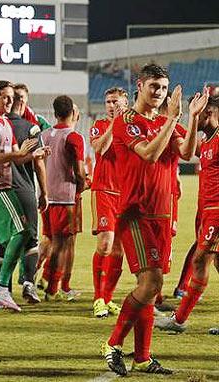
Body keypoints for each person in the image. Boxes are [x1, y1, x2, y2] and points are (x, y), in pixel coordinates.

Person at [101, 64, 193, 376]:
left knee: (149, 288)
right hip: (135, 213)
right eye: (153, 86)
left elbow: (188, 151)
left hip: (162, 215)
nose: (158, 93)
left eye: (163, 88)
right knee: (152, 282)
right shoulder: (128, 121)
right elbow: (150, 154)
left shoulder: (165, 122)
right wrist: (172, 119)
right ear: (139, 86)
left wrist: (190, 118)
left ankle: (141, 357)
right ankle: (113, 344)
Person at [0, 80, 47, 312]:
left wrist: (34, 155)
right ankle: (2, 287)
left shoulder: (4, 122)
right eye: (5, 97)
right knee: (22, 232)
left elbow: (16, 156)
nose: (9, 102)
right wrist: (17, 153)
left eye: (11, 98)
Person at [154, 92, 214, 334]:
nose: (193, 122)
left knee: (200, 260)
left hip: (217, 212)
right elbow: (185, 147)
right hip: (207, 211)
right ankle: (178, 319)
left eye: (197, 115)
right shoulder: (207, 141)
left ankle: (178, 320)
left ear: (208, 113)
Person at [0, 83, 49, 303]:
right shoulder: (31, 128)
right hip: (24, 189)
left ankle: (2, 286)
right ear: (22, 102)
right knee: (31, 240)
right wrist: (44, 192)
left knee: (1, 241)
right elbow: (39, 164)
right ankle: (28, 283)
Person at [40, 96, 86, 301]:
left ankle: (42, 280)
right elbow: (79, 172)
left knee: (51, 240)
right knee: (62, 244)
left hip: (46, 197)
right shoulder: (74, 137)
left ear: (55, 112)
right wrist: (83, 185)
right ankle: (52, 286)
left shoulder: (45, 135)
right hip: (66, 198)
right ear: (73, 113)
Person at [90, 87, 128, 318]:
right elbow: (100, 148)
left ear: (125, 103)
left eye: (115, 102)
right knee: (105, 244)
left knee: (119, 249)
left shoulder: (133, 127)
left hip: (125, 194)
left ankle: (108, 296)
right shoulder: (100, 125)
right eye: (108, 102)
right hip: (103, 190)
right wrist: (116, 123)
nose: (111, 105)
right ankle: (98, 298)